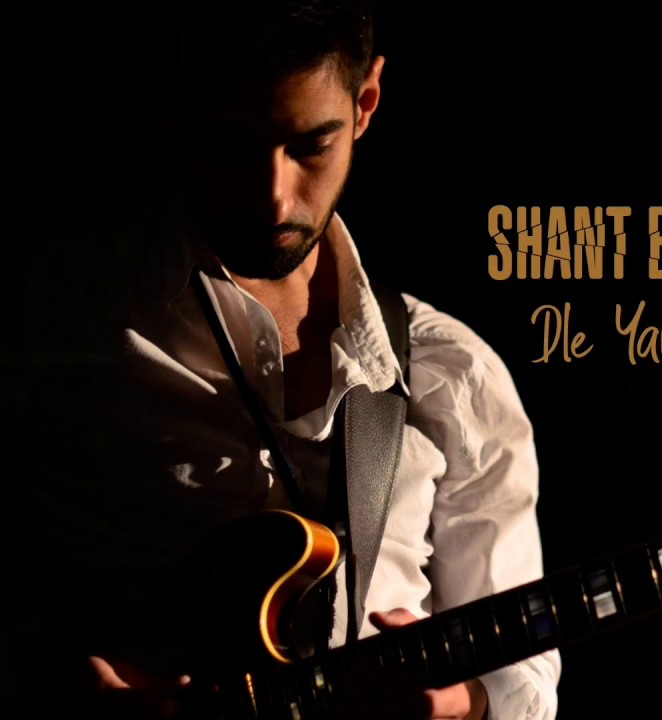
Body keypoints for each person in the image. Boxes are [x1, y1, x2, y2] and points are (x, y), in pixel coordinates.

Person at [2, 1, 561, 718]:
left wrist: (464, 704)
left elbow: (525, 679)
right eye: (232, 149)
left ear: (365, 103)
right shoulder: (43, 317)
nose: (273, 198)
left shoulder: (454, 370)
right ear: (169, 107)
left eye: (310, 146)